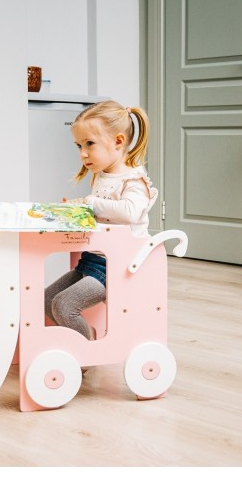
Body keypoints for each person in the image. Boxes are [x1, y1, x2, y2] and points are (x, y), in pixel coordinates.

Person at [43, 100, 158, 340]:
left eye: (89, 144)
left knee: (64, 305)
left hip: (118, 265)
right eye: (79, 146)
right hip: (93, 260)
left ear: (118, 141)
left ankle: (86, 353)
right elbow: (101, 213)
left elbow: (130, 212)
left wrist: (90, 203)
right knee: (47, 299)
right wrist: (75, 211)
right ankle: (87, 338)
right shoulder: (100, 177)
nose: (83, 153)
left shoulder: (134, 180)